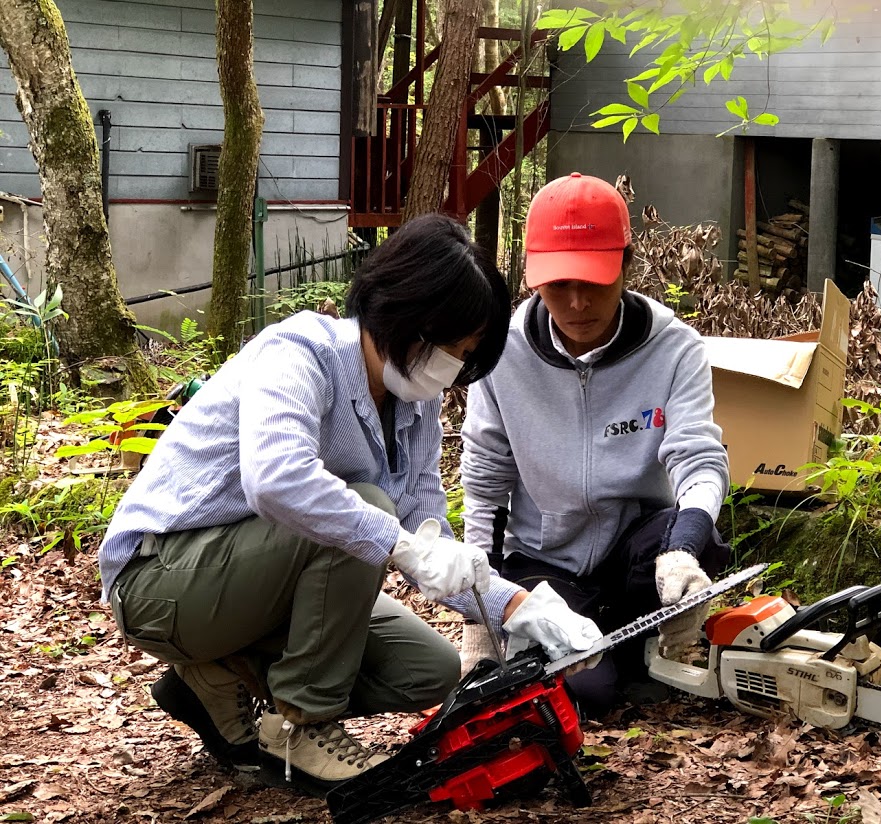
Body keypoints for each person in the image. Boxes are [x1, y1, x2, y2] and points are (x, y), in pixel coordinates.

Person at [97, 214, 602, 795]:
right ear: (407, 316)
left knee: (429, 670)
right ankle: (301, 723)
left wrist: (520, 607)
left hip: (250, 588)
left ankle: (214, 677)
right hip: (160, 582)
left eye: (466, 356)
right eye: (452, 349)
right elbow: (277, 479)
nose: (455, 370)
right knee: (365, 507)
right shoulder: (299, 354)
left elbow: (424, 534)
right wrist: (399, 542)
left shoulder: (415, 403)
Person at [459, 174, 733, 715]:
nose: (578, 302)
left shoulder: (675, 349)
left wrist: (682, 549)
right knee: (590, 692)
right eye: (559, 284)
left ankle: (651, 625)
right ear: (533, 277)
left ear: (626, 266)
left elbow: (698, 458)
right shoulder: (500, 355)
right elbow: (485, 479)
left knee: (696, 539)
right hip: (543, 562)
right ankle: (618, 650)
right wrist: (478, 612)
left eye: (596, 281)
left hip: (638, 553)